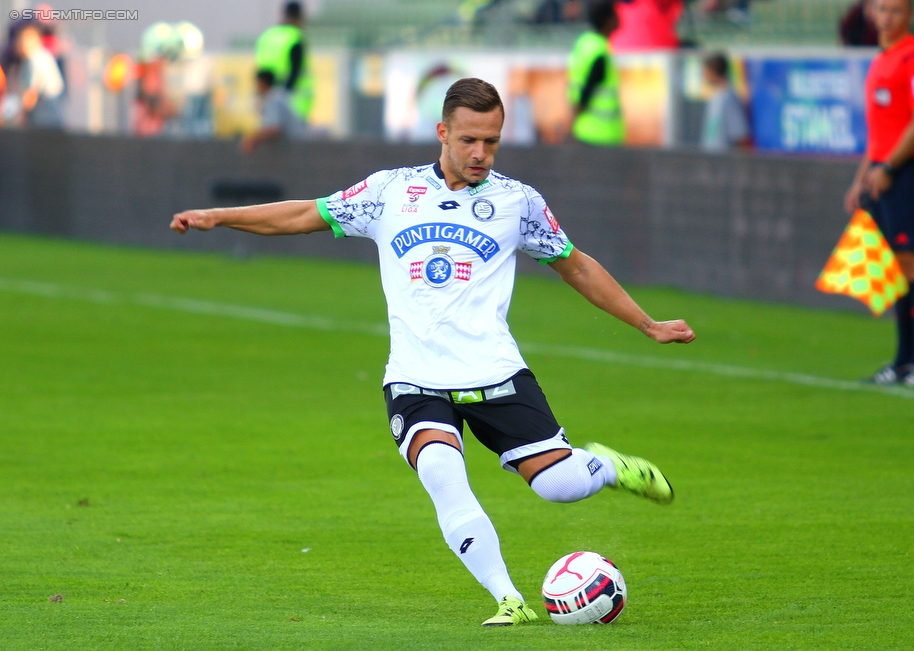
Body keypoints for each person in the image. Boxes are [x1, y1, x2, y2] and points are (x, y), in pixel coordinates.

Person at [170, 77, 695, 626]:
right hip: (416, 382)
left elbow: (577, 265)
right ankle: (508, 600)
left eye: (492, 141)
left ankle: (606, 466)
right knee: (442, 472)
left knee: (560, 487)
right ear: (443, 132)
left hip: (496, 374)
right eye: (469, 140)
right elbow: (306, 215)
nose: (481, 154)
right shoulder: (391, 191)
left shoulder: (518, 202)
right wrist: (220, 216)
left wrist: (647, 324)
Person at [844, 0, 914, 387]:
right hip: (881, 175)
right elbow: (879, 133)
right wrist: (861, 178)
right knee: (896, 270)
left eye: (896, 10)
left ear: (911, 15)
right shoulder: (880, 59)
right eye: (882, 9)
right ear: (872, 12)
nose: (887, 17)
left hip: (908, 175)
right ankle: (903, 361)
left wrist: (889, 168)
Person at [567, 0, 625, 146]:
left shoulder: (585, 43)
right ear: (608, 20)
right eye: (615, 14)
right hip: (601, 135)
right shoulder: (600, 52)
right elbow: (586, 93)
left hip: (584, 130)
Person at [254, 1, 313, 123]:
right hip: (294, 103)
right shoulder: (294, 37)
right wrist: (283, 95)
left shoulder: (267, 37)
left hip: (267, 100)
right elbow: (295, 72)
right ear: (299, 17)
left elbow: (261, 72)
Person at [241, 69, 306, 153]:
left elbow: (275, 129)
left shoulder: (273, 99)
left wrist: (252, 138)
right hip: (297, 147)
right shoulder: (277, 96)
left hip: (298, 149)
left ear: (262, 83)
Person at [16, 23, 64, 128]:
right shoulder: (43, 56)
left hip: (44, 121)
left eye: (23, 40)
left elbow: (32, 92)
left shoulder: (35, 58)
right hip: (53, 118)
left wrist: (19, 115)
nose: (19, 44)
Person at [699, 52, 750, 152]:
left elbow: (741, 136)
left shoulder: (729, 98)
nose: (704, 76)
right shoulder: (714, 97)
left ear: (714, 71)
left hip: (724, 163)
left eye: (706, 71)